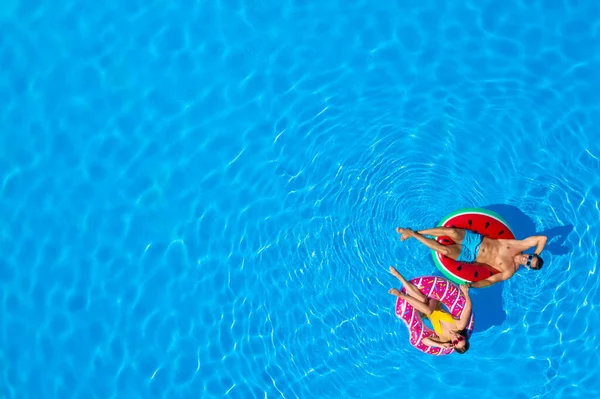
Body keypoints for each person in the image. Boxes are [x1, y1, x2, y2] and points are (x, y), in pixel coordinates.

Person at [396, 226, 548, 288]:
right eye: (530, 257)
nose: (526, 259)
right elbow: (542, 239)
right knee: (452, 232)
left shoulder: (509, 270)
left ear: (527, 267)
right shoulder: (519, 246)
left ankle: (411, 234)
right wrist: (537, 254)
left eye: (529, 262)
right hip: (476, 240)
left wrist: (471, 285)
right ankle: (415, 232)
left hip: (470, 255)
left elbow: (490, 280)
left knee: (445, 251)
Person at [388, 266, 472, 353]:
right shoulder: (460, 325)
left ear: (453, 345)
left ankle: (399, 277)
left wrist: (440, 345)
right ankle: (400, 291)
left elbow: (424, 341)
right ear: (463, 336)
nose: (456, 338)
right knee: (428, 309)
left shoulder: (443, 340)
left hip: (425, 311)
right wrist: (466, 294)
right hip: (434, 300)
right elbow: (468, 308)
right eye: (460, 338)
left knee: (423, 300)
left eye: (455, 342)